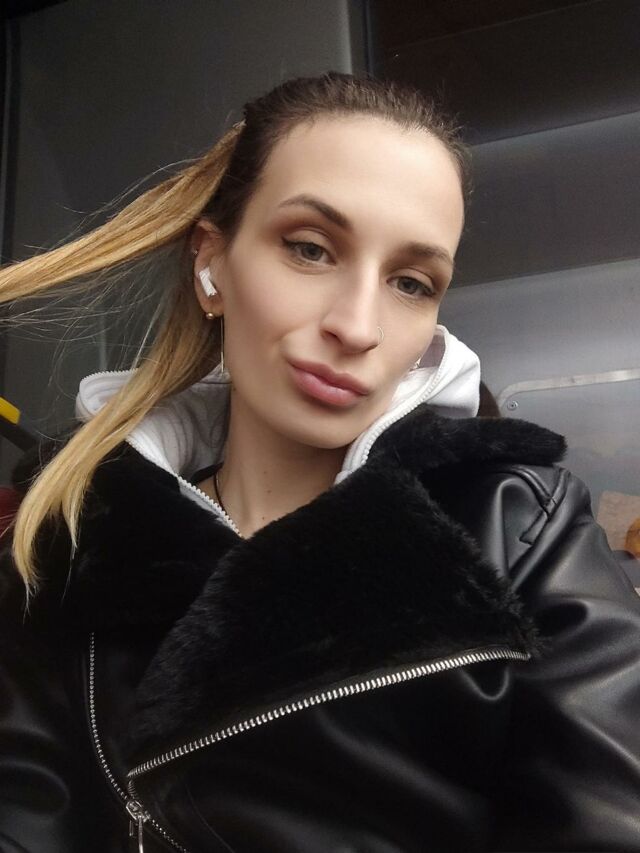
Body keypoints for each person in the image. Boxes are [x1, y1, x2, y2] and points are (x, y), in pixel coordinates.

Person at [0, 71, 639, 853]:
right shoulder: (72, 539)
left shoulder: (516, 527)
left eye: (412, 282)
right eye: (310, 248)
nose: (358, 326)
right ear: (212, 266)